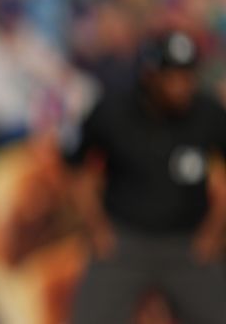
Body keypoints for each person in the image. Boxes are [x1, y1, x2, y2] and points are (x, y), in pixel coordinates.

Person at [65, 30, 226, 324]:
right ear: (151, 75)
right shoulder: (113, 111)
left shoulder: (209, 114)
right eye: (173, 76)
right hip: (124, 242)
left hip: (188, 247)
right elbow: (79, 171)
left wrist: (213, 232)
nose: (182, 86)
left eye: (188, 76)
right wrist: (97, 228)